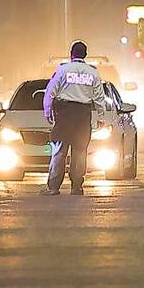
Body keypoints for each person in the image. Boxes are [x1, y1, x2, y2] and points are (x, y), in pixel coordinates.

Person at [41, 41, 105, 196]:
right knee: (80, 151)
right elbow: (99, 97)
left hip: (64, 114)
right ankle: (77, 187)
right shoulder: (93, 73)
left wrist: (48, 111)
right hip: (83, 115)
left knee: (59, 151)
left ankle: (54, 187)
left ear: (71, 54)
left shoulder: (63, 70)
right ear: (85, 55)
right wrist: (101, 117)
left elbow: (50, 91)